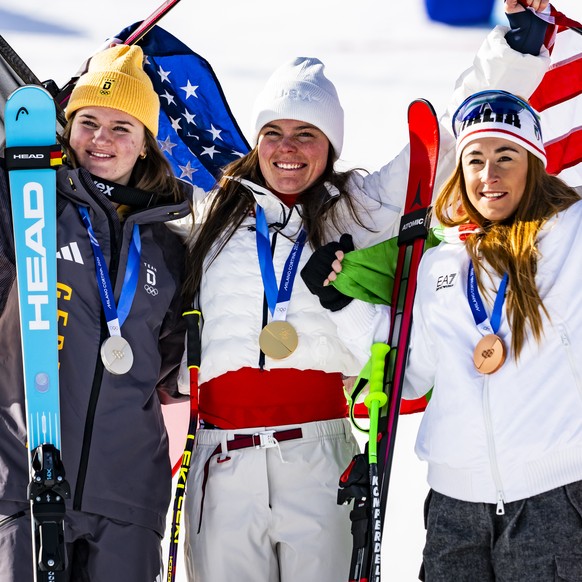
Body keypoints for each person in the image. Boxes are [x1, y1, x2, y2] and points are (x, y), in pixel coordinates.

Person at [176, 2, 552, 581]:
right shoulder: (211, 216)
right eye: (273, 132)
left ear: (330, 144)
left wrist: (514, 52)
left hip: (318, 456)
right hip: (222, 462)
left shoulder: (358, 207)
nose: (288, 148)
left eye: (307, 133)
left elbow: (448, 140)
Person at [0, 44, 191, 581]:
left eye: (121, 128)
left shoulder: (169, 249)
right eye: (88, 122)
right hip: (25, 478)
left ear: (147, 145)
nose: (101, 140)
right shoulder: (25, 206)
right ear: (67, 127)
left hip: (129, 494)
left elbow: (169, 372)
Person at [401, 89, 582, 581]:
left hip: (553, 498)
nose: (490, 175)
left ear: (535, 164)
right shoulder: (441, 262)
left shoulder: (571, 234)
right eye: (475, 160)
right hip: (454, 507)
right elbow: (412, 376)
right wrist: (348, 307)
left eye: (506, 157)